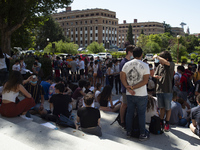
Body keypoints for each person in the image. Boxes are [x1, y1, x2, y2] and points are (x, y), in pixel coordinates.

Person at [121, 47, 150, 141]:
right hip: (141, 94)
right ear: (142, 54)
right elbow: (145, 81)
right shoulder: (145, 65)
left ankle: (128, 132)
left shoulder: (126, 64)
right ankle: (142, 134)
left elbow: (122, 77)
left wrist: (128, 88)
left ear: (133, 54)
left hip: (130, 94)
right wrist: (132, 88)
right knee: (141, 114)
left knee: (129, 113)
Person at [153, 51, 175, 132]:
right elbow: (154, 74)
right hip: (159, 90)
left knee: (168, 108)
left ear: (166, 59)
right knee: (161, 107)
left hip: (167, 90)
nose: (159, 61)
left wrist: (157, 56)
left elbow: (167, 63)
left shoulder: (171, 64)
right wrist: (156, 76)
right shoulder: (159, 66)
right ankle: (161, 121)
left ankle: (167, 123)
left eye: (161, 59)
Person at [119, 45, 134, 128]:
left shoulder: (129, 61)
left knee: (128, 104)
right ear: (129, 52)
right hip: (126, 88)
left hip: (130, 87)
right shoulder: (123, 62)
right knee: (124, 104)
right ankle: (122, 121)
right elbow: (122, 77)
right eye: (132, 52)